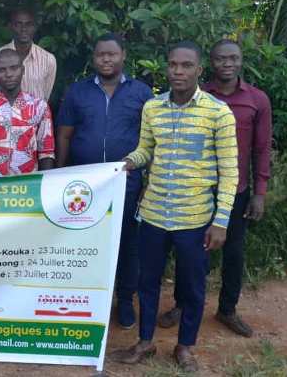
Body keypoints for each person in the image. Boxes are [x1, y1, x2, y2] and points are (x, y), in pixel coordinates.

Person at [112, 41, 238, 372]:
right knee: (147, 282)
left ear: (199, 70)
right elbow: (145, 149)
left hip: (195, 219)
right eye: (172, 65)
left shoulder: (218, 113)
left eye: (186, 65)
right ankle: (145, 342)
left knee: (193, 287)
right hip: (153, 215)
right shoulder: (152, 108)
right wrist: (128, 161)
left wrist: (221, 221)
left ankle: (185, 347)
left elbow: (230, 172)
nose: (178, 71)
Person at [158, 39, 272, 338]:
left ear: (241, 61)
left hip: (236, 190)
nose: (227, 64)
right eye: (221, 59)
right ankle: (182, 304)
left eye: (233, 58)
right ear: (209, 63)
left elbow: (261, 148)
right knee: (190, 253)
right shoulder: (197, 96)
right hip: (197, 190)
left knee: (233, 252)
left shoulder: (257, 99)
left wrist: (259, 192)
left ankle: (227, 309)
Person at [56, 33, 154, 329]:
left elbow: (153, 140)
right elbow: (64, 135)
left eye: (112, 54)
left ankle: (124, 300)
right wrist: (59, 175)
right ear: (94, 58)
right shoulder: (78, 92)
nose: (106, 59)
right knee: (84, 241)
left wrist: (149, 180)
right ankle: (86, 299)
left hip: (126, 182)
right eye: (101, 54)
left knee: (127, 243)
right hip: (83, 186)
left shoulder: (141, 93)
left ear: (123, 55)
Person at [0, 49, 54, 178]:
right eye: (2, 70)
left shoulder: (39, 106)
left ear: (22, 70)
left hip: (26, 184)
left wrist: (46, 184)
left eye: (14, 68)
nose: (8, 74)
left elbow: (46, 152)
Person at [0, 8, 56, 101]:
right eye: (18, 24)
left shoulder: (48, 60)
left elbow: (45, 95)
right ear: (10, 27)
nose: (24, 29)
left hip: (35, 110)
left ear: (35, 27)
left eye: (29, 24)